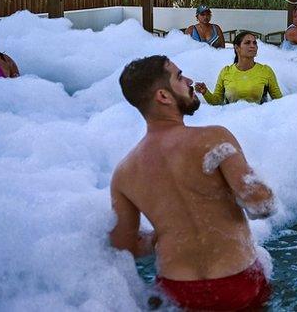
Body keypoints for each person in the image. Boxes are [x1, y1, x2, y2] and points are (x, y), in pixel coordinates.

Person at [110, 55, 275, 310]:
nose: (189, 81)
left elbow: (126, 245)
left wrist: (160, 236)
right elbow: (260, 203)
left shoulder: (124, 173)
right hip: (237, 283)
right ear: (163, 96)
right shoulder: (213, 138)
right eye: (179, 76)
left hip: (175, 291)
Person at [195, 32, 283, 105]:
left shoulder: (265, 71)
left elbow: (279, 102)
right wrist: (205, 92)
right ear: (237, 48)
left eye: (254, 43)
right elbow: (217, 101)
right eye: (247, 43)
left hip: (257, 119)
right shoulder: (226, 71)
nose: (253, 46)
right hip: (232, 118)